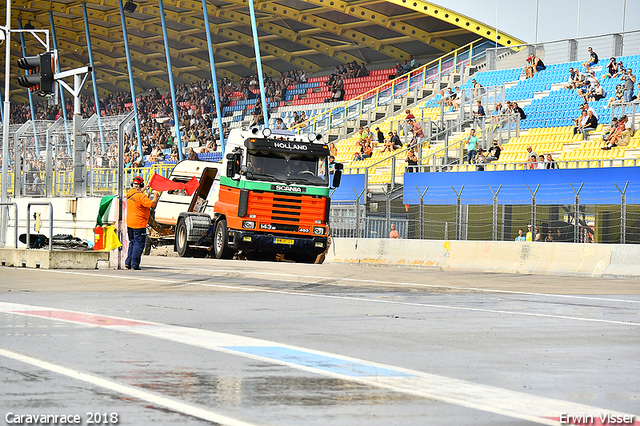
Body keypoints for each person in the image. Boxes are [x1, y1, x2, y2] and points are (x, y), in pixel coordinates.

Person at [125, 176, 161, 270]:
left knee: (132, 242)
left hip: (130, 223)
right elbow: (152, 205)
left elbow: (138, 193)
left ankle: (128, 262)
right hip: (139, 224)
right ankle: (134, 264)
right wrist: (156, 197)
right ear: (140, 185)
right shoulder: (141, 196)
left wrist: (145, 187)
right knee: (138, 244)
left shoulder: (130, 193)